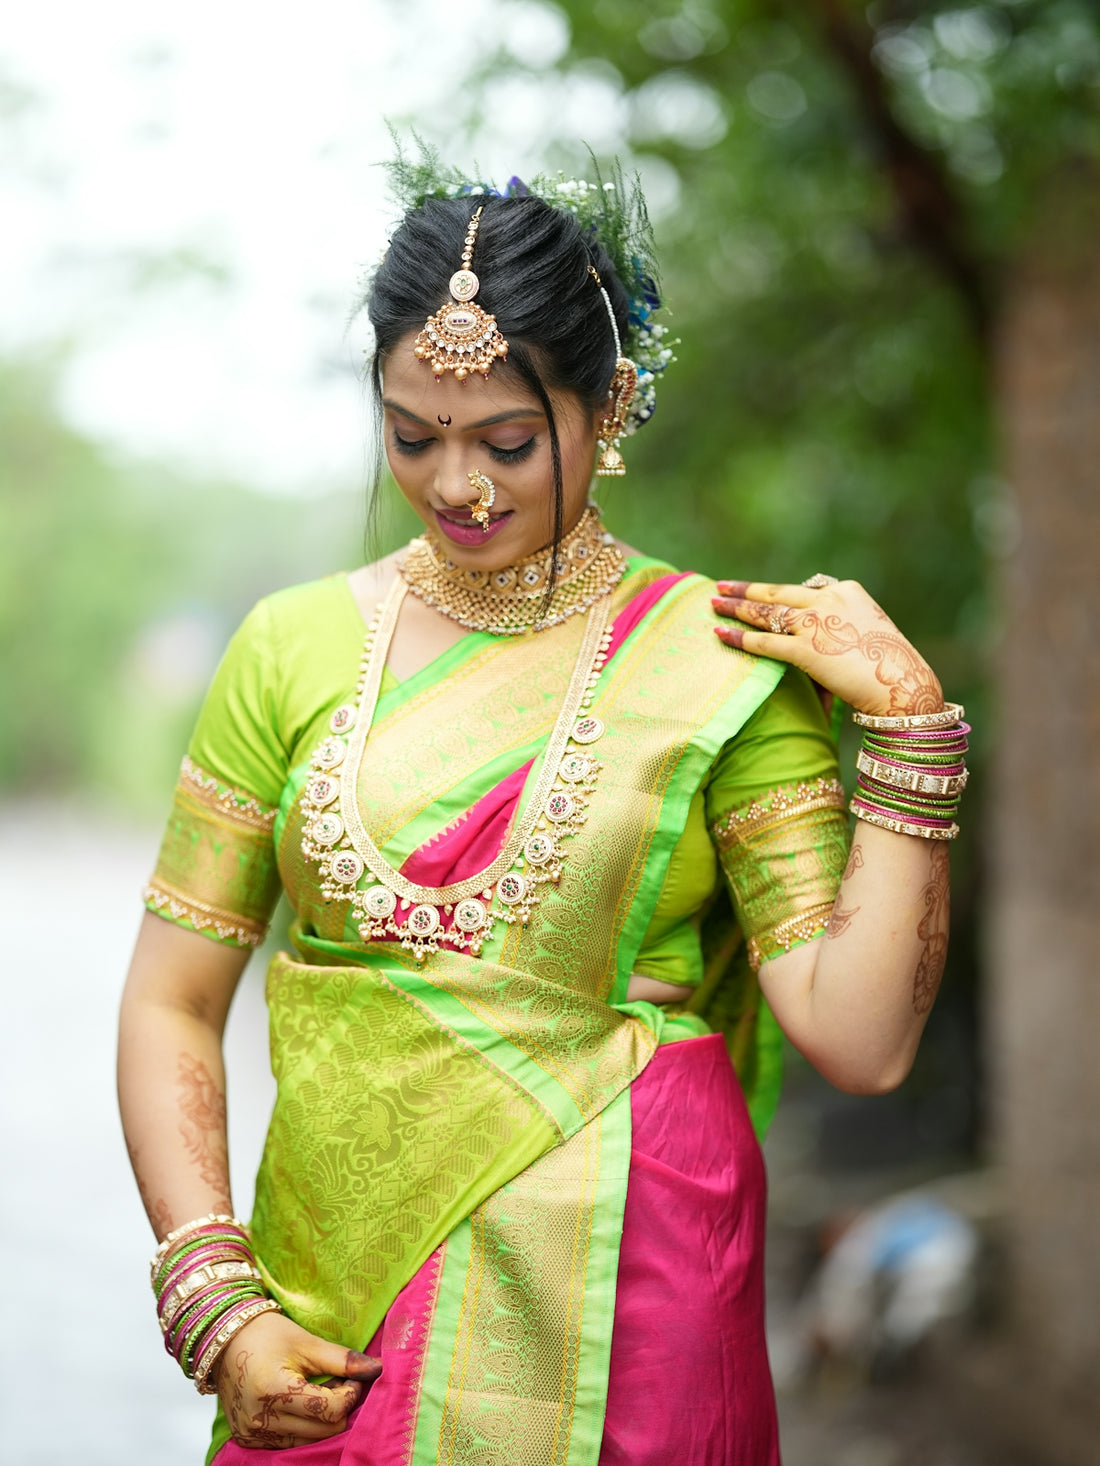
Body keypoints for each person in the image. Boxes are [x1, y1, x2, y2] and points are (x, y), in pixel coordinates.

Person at [118, 163, 967, 1466]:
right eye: (413, 435)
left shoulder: (716, 661)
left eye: (507, 441)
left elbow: (859, 1040)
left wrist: (910, 731)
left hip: (629, 1303)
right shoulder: (290, 648)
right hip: (330, 1299)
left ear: (606, 403)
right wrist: (216, 1300)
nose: (456, 482)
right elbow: (173, 997)